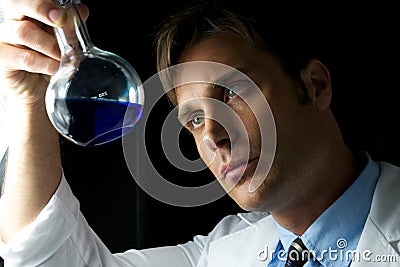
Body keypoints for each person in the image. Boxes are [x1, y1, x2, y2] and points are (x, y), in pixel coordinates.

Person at [0, 0, 399, 266]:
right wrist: (31, 102)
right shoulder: (216, 255)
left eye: (231, 92)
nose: (212, 135)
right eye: (192, 120)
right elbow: (46, 257)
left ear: (315, 85)